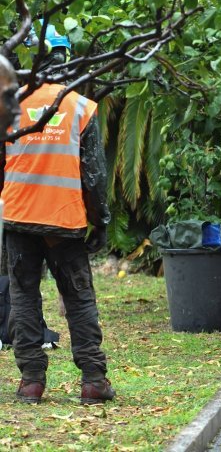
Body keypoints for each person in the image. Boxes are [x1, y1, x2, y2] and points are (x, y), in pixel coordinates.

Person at [1, 80, 115, 404]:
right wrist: (100, 221)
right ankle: (94, 381)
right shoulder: (80, 106)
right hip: (64, 220)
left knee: (23, 297)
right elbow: (93, 173)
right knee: (79, 298)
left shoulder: (11, 103)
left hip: (19, 217)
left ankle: (31, 382)